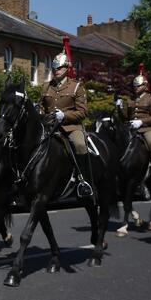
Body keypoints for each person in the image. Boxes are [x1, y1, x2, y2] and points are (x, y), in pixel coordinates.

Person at [39, 51, 94, 200]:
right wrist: (38, 112)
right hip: (50, 128)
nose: (56, 70)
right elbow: (42, 108)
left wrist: (65, 116)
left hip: (70, 127)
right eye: (54, 68)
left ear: (66, 69)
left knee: (80, 145)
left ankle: (83, 180)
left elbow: (82, 112)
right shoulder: (46, 87)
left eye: (59, 68)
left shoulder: (76, 87)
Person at [116, 73, 151, 176]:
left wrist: (141, 122)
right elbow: (125, 117)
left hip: (147, 128)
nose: (136, 88)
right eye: (134, 86)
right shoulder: (131, 99)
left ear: (145, 86)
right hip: (131, 128)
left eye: (138, 86)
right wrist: (119, 106)